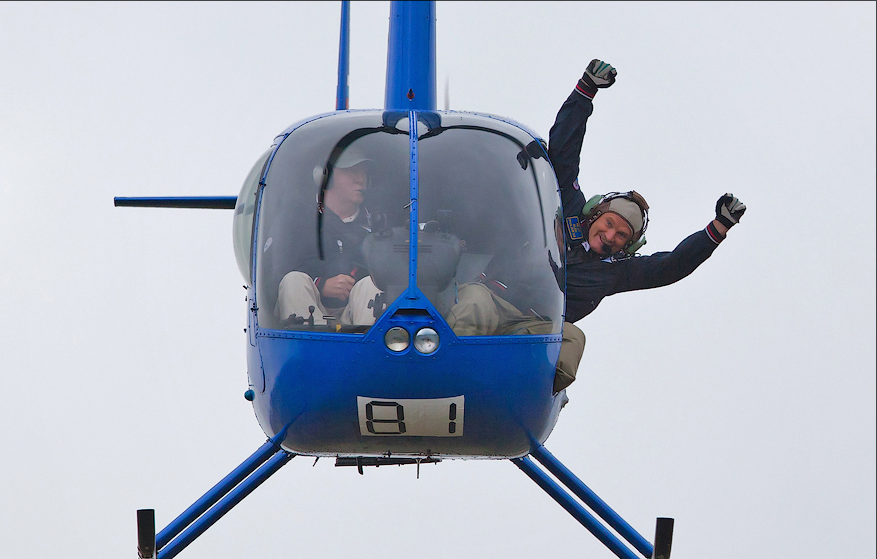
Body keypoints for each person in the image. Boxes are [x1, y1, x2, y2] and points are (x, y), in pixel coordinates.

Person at [449, 59, 746, 395]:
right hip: (493, 298)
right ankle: (447, 377)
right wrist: (586, 90)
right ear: (594, 214)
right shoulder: (566, 210)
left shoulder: (615, 272)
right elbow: (564, 150)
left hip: (535, 326)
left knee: (573, 340)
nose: (610, 236)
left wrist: (717, 229)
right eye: (609, 224)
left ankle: (514, 401)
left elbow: (671, 266)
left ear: (628, 246)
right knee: (473, 303)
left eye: (622, 236)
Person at [275, 147, 383, 327]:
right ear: (325, 177)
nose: (361, 179)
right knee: (293, 281)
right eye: (352, 171)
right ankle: (311, 341)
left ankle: (367, 343)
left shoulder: (377, 226)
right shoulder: (294, 220)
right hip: (309, 310)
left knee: (372, 285)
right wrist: (320, 284)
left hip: (357, 316)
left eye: (364, 173)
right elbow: (272, 273)